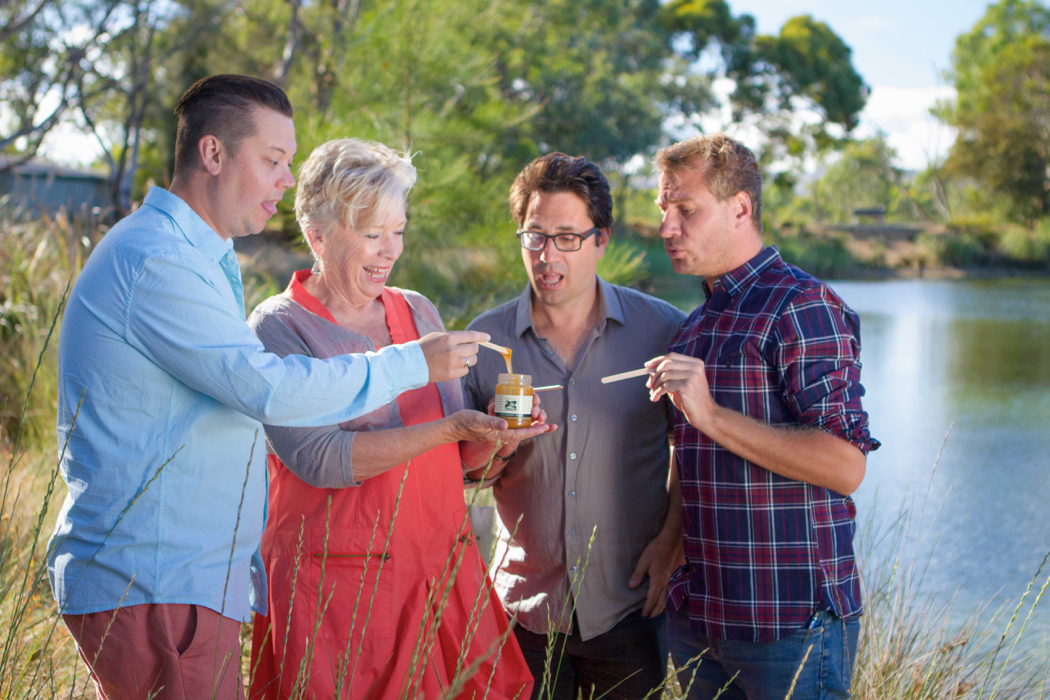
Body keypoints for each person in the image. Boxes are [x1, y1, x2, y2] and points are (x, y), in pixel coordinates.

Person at [47, 75, 489, 700]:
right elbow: (268, 392)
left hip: (187, 582)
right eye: (274, 160)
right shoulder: (158, 261)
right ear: (213, 154)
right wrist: (411, 363)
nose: (286, 180)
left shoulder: (201, 258)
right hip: (153, 582)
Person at [246, 138, 550, 700]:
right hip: (340, 584)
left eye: (399, 232)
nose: (389, 251)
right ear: (317, 235)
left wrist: (494, 438)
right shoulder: (279, 326)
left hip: (436, 563)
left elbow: (457, 462)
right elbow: (318, 459)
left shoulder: (416, 310)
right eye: (371, 234)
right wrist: (452, 428)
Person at [645, 134, 880, 700]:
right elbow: (690, 449)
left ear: (741, 208)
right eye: (663, 210)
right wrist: (668, 538)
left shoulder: (802, 305)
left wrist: (711, 414)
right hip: (701, 619)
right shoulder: (696, 324)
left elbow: (845, 466)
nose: (667, 228)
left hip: (789, 626)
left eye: (686, 210)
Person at [463, 153, 686, 699]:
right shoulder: (484, 344)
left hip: (632, 609)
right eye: (534, 236)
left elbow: (691, 445)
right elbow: (465, 475)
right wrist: (493, 446)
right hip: (523, 612)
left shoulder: (665, 329)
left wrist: (672, 537)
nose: (547, 256)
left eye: (567, 237)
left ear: (601, 240)